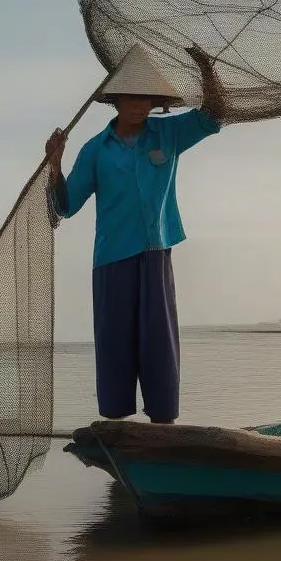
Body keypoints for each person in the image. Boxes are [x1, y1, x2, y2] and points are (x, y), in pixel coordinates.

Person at [46, 43, 226, 424]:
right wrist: (55, 165)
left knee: (159, 343)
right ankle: (117, 427)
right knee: (114, 344)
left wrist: (206, 69)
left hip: (156, 253)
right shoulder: (96, 150)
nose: (138, 105)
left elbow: (213, 118)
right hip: (112, 259)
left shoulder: (168, 134)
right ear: (116, 100)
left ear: (155, 102)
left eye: (146, 97)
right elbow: (66, 205)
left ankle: (163, 425)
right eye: (130, 97)